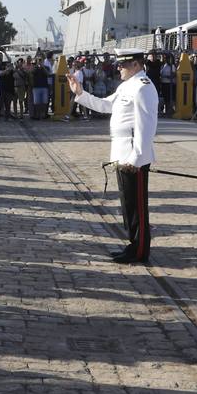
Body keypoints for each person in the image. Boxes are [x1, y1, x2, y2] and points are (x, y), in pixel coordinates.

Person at [67, 47, 159, 265]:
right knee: (128, 205)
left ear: (136, 65)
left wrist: (136, 159)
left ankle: (139, 250)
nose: (119, 67)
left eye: (123, 64)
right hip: (122, 154)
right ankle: (132, 245)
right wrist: (80, 93)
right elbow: (106, 105)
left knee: (137, 207)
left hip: (132, 157)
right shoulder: (127, 86)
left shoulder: (143, 87)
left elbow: (146, 127)